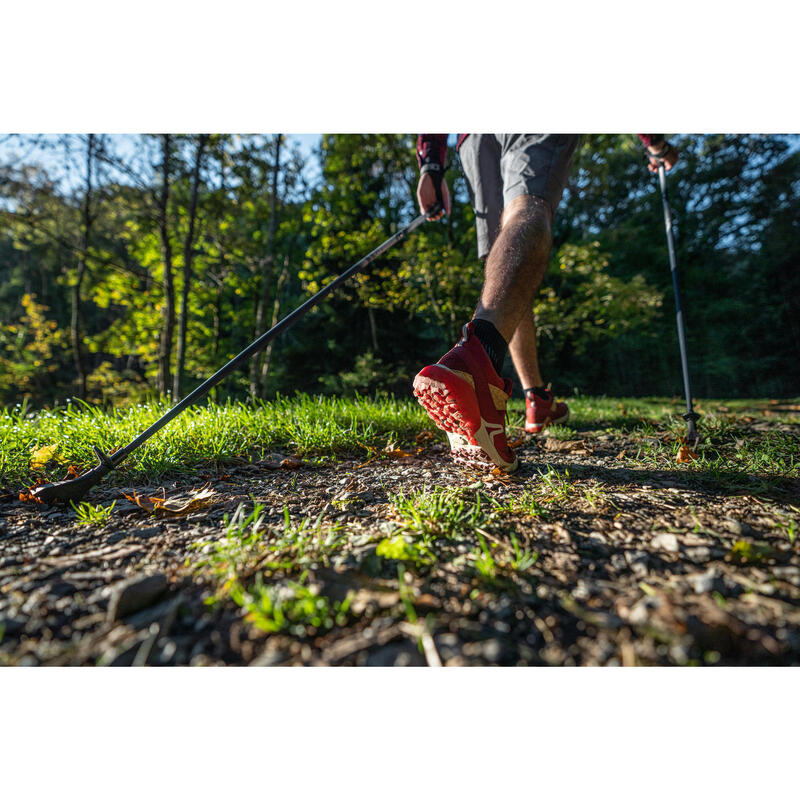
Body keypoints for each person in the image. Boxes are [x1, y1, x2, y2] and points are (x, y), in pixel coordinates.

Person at [412, 133, 679, 473]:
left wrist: (431, 165)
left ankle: (535, 397)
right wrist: (655, 142)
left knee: (506, 264)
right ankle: (475, 363)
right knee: (528, 209)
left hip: (473, 137)